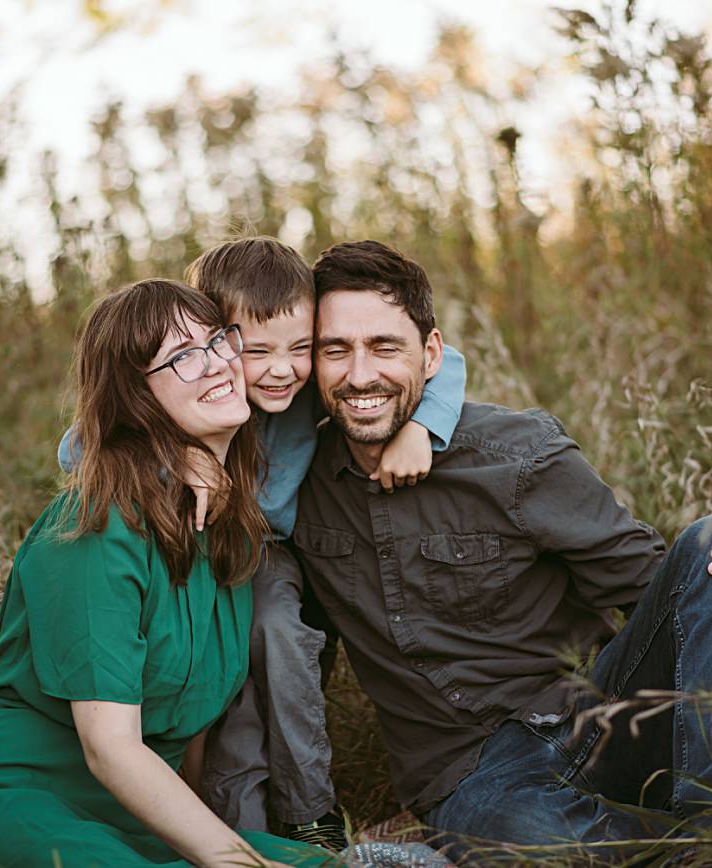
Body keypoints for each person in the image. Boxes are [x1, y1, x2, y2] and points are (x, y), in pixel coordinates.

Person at [291, 241, 712, 862]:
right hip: (474, 777)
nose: (360, 373)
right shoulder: (297, 488)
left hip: (602, 715)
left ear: (431, 354)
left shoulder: (517, 454)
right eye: (334, 350)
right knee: (536, 846)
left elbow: (655, 590)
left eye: (384, 346)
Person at [58, 238, 467, 851]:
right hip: (189, 552)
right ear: (218, 344)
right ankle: (236, 831)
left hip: (267, 551)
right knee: (227, 691)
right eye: (257, 352)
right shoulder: (191, 393)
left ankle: (308, 814)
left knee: (274, 631)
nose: (283, 369)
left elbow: (447, 358)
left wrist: (422, 427)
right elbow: (78, 447)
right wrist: (180, 455)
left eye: (301, 348)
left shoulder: (299, 387)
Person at [0, 279, 330, 867]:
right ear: (135, 400)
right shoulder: (93, 529)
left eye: (218, 342)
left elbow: (188, 735)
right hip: (23, 809)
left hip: (142, 818)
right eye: (183, 358)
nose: (217, 365)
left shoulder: (229, 532)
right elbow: (110, 749)